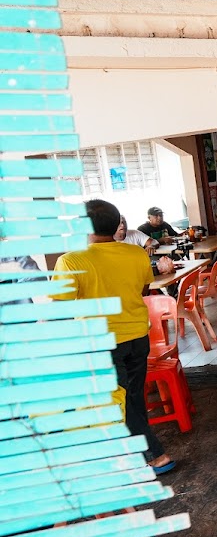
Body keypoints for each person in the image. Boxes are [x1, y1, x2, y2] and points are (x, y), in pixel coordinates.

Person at [53, 200, 175, 475]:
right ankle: (141, 452)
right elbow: (143, 287)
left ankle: (156, 455)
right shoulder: (135, 254)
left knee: (118, 400)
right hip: (137, 335)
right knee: (132, 397)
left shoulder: (71, 260)